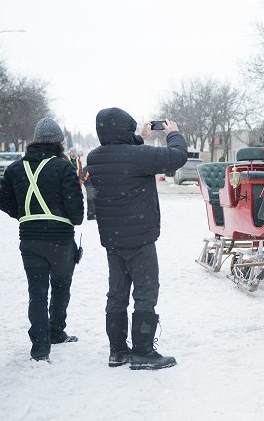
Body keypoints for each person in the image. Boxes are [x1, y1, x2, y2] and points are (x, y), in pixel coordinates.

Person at [86, 107, 187, 370]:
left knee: (117, 295)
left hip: (113, 239)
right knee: (145, 293)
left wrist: (137, 138)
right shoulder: (138, 156)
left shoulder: (95, 158)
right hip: (140, 239)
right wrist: (173, 134)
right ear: (125, 129)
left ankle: (117, 351)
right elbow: (177, 157)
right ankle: (142, 352)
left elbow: (122, 159)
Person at [0, 118, 84, 362]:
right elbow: (77, 212)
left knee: (37, 293)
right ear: (59, 142)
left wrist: (27, 216)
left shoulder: (15, 168)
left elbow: (3, 202)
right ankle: (56, 331)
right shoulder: (64, 167)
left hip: (29, 239)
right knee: (60, 287)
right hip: (60, 241)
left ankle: (39, 348)